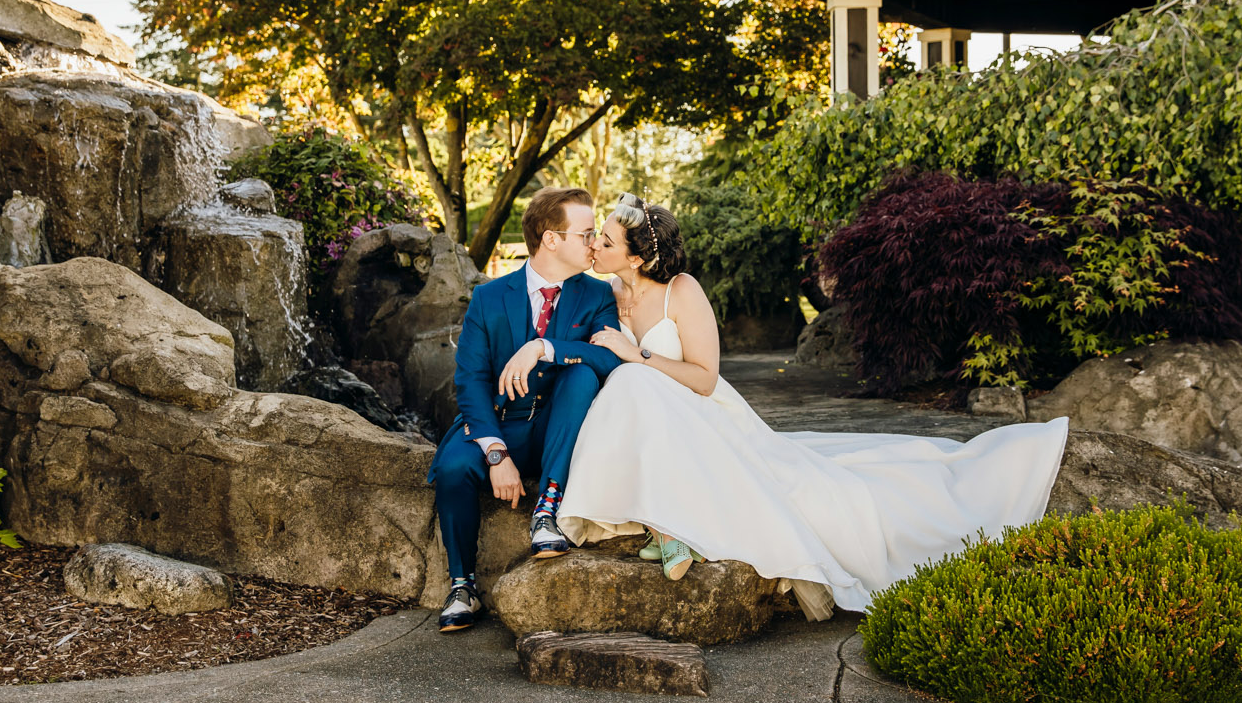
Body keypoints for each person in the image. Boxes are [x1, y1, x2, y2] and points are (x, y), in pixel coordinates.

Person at [555, 193, 1069, 620]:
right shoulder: (606, 293)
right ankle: (653, 519)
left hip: (703, 414)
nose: (595, 247)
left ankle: (670, 526)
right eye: (596, 238)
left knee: (820, 497)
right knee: (627, 385)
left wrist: (639, 355)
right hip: (655, 423)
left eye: (605, 241)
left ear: (638, 258)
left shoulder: (681, 291)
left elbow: (706, 380)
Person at [427, 186, 628, 632]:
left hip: (563, 428)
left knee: (580, 376)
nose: (594, 243)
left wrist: (544, 347)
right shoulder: (489, 297)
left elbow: (611, 356)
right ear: (550, 239)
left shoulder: (596, 296)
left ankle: (547, 510)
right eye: (586, 234)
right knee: (455, 468)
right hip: (500, 425)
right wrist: (496, 454)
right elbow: (471, 380)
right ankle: (462, 585)